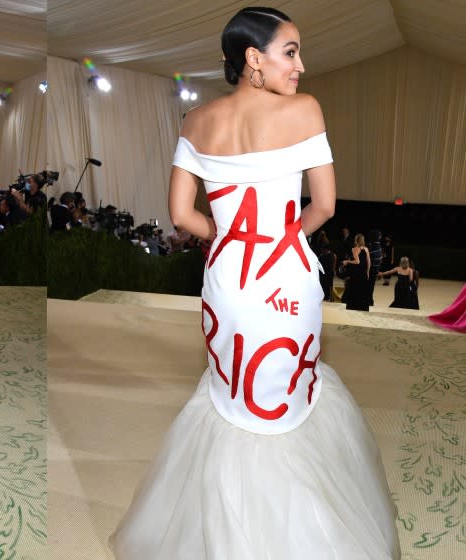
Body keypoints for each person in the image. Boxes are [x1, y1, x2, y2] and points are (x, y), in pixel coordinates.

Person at [110, 8, 399, 559]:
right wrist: (286, 236)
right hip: (283, 274)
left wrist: (222, 235)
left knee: (233, 398)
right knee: (285, 402)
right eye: (290, 52)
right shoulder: (305, 111)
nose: (301, 65)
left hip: (226, 277)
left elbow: (179, 215)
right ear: (253, 58)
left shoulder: (195, 121)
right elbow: (327, 205)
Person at [342, 233, 371, 311]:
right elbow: (369, 262)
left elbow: (357, 262)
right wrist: (367, 272)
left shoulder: (354, 249)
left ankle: (354, 306)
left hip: (356, 273)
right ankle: (362, 307)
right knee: (362, 291)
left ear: (356, 240)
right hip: (363, 273)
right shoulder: (366, 249)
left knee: (354, 290)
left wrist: (347, 261)